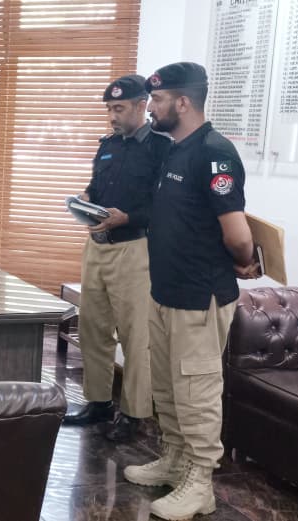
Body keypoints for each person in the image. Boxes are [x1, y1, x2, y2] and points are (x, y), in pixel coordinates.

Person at [122, 62, 260, 521]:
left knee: (196, 391)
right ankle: (175, 461)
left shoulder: (215, 153)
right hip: (166, 291)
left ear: (182, 102)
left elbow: (237, 234)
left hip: (200, 296)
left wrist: (244, 258)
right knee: (167, 386)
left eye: (158, 100)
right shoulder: (174, 150)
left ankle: (200, 483)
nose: (151, 108)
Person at [64, 74, 170, 443]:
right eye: (110, 108)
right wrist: (84, 200)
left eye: (119, 108)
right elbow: (96, 186)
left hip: (134, 249)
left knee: (135, 336)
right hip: (97, 247)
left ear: (142, 105)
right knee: (92, 329)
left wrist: (127, 218)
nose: (113, 115)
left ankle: (135, 414)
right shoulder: (108, 145)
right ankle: (98, 403)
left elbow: (165, 205)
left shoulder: (161, 148)